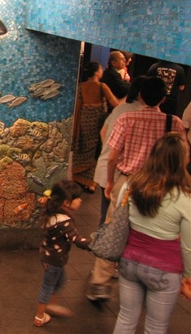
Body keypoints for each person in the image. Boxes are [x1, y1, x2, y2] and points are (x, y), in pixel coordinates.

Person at [87, 77, 187, 301]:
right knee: (152, 231)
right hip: (162, 186)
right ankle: (148, 276)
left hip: (128, 183)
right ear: (163, 98)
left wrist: (112, 182)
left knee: (114, 228)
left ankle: (100, 282)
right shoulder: (174, 123)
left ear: (140, 95)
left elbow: (113, 155)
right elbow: (184, 156)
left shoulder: (127, 118)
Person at [112, 132, 191, 334]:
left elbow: (119, 217)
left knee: (126, 317)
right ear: (181, 160)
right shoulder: (184, 198)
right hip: (165, 269)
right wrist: (188, 276)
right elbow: (188, 246)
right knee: (156, 327)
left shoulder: (132, 185)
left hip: (129, 261)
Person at [34, 180, 91, 327]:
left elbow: (44, 200)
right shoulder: (64, 222)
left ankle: (51, 306)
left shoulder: (50, 212)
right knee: (48, 285)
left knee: (59, 281)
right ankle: (40, 316)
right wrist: (93, 243)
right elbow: (77, 240)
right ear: (66, 203)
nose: (80, 201)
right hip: (54, 259)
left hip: (47, 255)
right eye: (77, 198)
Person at [93, 76, 146, 225]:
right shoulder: (141, 113)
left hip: (106, 165)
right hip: (121, 171)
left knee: (105, 214)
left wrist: (110, 149)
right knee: (122, 217)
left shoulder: (120, 109)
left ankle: (100, 242)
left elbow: (103, 132)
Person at [72, 61, 120, 193]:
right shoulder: (101, 86)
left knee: (84, 148)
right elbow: (114, 103)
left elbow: (78, 105)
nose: (102, 71)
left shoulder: (81, 87)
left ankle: (78, 177)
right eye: (100, 69)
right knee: (95, 150)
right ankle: (90, 183)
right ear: (96, 72)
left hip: (83, 120)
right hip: (97, 121)